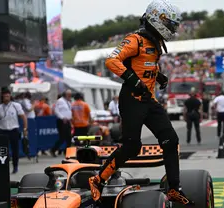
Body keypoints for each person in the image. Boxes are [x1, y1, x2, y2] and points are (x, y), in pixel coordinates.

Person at [88, 0, 194, 205]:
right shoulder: (135, 39)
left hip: (149, 101)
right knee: (131, 146)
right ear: (157, 19)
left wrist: (159, 76)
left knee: (171, 140)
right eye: (170, 24)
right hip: (132, 100)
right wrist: (134, 81)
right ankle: (97, 180)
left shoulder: (154, 41)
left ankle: (173, 188)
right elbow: (112, 61)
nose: (172, 29)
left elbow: (143, 65)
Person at [0, 89, 28, 174]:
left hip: (13, 130)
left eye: (8, 96)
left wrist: (25, 128)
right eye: (5, 96)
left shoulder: (16, 106)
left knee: (15, 149)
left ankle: (15, 166)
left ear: (10, 96)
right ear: (2, 97)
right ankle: (4, 167)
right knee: (3, 150)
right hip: (3, 131)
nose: (6, 98)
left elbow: (23, 117)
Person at [51, 89, 72, 157]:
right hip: (62, 121)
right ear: (65, 95)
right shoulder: (60, 101)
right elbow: (56, 110)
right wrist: (62, 117)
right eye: (69, 94)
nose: (70, 96)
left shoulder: (68, 102)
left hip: (68, 121)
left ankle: (67, 152)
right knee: (62, 137)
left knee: (69, 137)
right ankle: (53, 150)